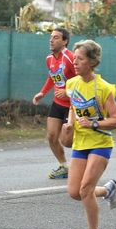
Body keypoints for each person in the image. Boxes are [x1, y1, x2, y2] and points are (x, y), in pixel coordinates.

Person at [63, 40, 116, 229]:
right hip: (80, 143)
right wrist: (69, 124)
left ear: (91, 61)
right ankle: (107, 191)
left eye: (80, 59)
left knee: (86, 189)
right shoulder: (72, 85)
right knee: (74, 192)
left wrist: (93, 123)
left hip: (100, 143)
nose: (75, 63)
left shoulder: (103, 88)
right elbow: (73, 107)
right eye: (74, 59)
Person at [33, 27, 77, 179]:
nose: (51, 40)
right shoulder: (49, 59)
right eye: (51, 37)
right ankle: (64, 167)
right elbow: (53, 77)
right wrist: (42, 93)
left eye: (56, 37)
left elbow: (83, 81)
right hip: (57, 103)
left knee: (67, 141)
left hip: (73, 105)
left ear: (65, 41)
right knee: (52, 136)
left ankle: (84, 163)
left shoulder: (71, 58)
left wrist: (68, 92)